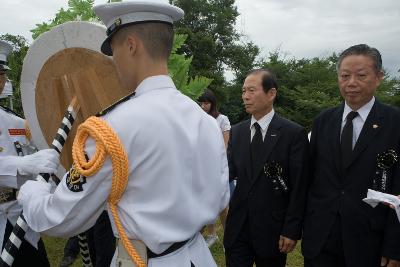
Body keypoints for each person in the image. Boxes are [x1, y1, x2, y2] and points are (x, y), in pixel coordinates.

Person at [17, 1, 230, 267]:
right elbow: (221, 196)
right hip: (199, 257)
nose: (113, 61)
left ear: (131, 45)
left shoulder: (111, 129)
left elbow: (60, 216)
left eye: (113, 50)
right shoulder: (206, 122)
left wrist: (32, 193)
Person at [301, 44, 400, 267]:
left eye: (361, 75)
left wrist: (395, 246)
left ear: (379, 77)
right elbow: (309, 177)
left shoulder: (395, 123)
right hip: (321, 237)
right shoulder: (323, 121)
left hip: (370, 240)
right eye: (345, 76)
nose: (351, 83)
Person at [224, 68, 309, 267]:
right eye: (243, 91)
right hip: (238, 226)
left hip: (273, 229)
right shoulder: (238, 131)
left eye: (251, 90)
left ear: (271, 93)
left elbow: (299, 186)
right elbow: (227, 172)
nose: (245, 96)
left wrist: (291, 229)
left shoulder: (292, 134)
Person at [0, 40, 58, 266]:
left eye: (1, 73)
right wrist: (22, 166)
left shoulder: (16, 122)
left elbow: (39, 153)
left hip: (21, 222)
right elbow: (25, 164)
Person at [198, 89, 231, 247]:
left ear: (212, 103)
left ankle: (228, 236)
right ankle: (211, 234)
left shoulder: (222, 119)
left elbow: (224, 145)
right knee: (207, 201)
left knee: (223, 204)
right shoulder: (197, 118)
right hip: (201, 165)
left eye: (206, 102)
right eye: (201, 102)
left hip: (218, 166)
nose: (203, 106)